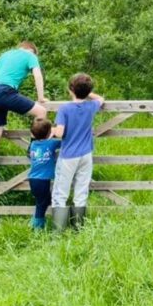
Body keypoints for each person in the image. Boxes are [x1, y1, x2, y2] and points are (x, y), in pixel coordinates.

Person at [0, 41, 47, 183]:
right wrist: (41, 98)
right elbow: (37, 76)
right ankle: (33, 148)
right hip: (6, 91)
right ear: (31, 50)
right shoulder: (30, 56)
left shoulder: (5, 55)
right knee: (41, 112)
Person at [50, 73, 104, 231]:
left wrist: (52, 129)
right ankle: (78, 228)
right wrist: (88, 93)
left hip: (68, 156)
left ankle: (58, 231)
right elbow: (101, 99)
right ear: (88, 91)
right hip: (86, 154)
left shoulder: (65, 108)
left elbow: (60, 133)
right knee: (81, 190)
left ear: (71, 89)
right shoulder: (90, 106)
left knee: (60, 192)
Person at [26, 118, 61, 230]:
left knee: (43, 201)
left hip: (33, 179)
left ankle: (37, 222)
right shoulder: (51, 143)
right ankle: (37, 225)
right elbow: (63, 143)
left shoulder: (33, 144)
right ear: (49, 132)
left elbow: (42, 140)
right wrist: (55, 132)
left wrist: (49, 133)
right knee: (42, 203)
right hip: (43, 180)